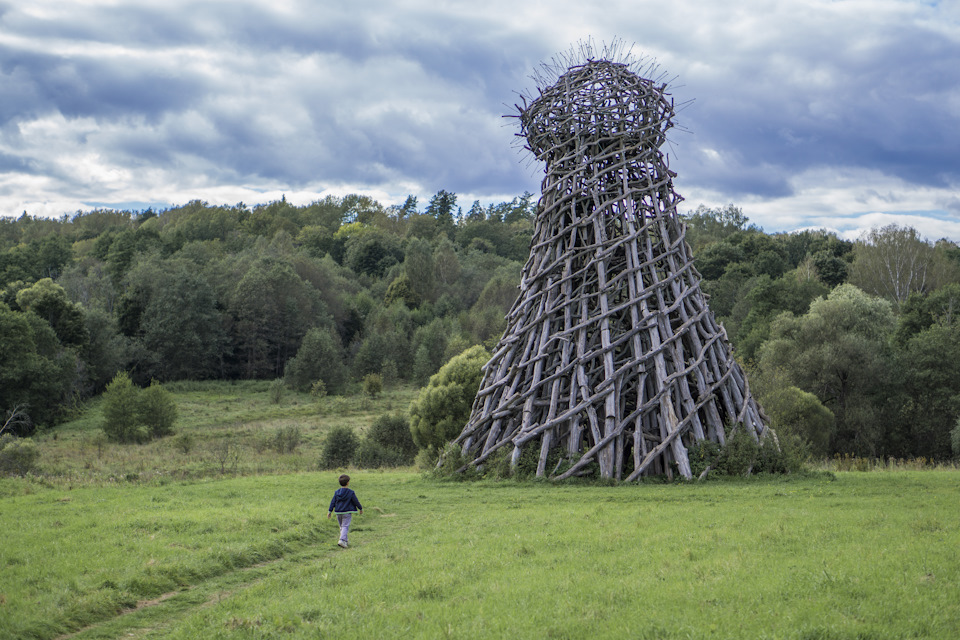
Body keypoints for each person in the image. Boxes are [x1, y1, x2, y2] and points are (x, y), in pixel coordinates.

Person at [327, 474, 362, 548]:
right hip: (347, 512)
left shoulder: (337, 492)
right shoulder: (351, 492)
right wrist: (360, 508)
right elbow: (356, 501)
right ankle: (342, 540)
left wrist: (329, 511)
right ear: (348, 483)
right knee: (345, 527)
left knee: (342, 527)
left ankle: (345, 541)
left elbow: (332, 502)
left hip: (338, 512)